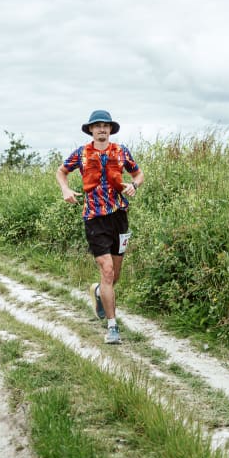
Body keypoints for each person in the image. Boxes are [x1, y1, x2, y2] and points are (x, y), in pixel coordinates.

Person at [56, 109, 144, 344]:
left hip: (119, 216)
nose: (102, 129)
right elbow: (61, 171)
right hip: (94, 217)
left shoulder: (121, 151)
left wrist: (134, 185)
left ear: (110, 129)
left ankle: (98, 292)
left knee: (115, 275)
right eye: (97, 126)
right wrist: (65, 189)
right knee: (106, 270)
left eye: (105, 126)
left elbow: (138, 174)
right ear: (91, 130)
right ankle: (113, 327)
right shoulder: (81, 153)